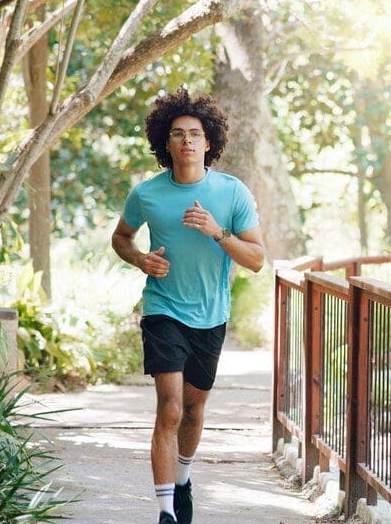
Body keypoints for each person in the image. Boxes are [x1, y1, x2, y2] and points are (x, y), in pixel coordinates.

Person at [111, 88, 265, 524]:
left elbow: (256, 260)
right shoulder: (146, 194)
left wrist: (218, 232)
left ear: (209, 141)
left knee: (195, 408)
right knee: (171, 406)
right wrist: (141, 259)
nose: (187, 141)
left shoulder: (232, 193)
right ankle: (165, 513)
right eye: (177, 134)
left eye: (195, 134)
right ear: (166, 142)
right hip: (162, 308)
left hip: (210, 314)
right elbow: (121, 237)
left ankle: (182, 480)